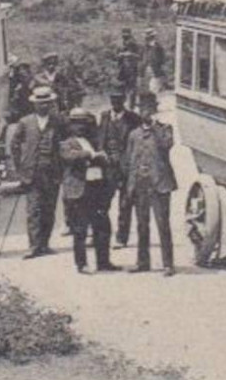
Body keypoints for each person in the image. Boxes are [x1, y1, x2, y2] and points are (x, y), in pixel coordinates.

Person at [124, 90, 177, 275]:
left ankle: (168, 264)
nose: (145, 113)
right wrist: (130, 186)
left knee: (163, 224)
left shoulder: (165, 129)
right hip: (141, 185)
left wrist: (154, 126)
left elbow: (166, 145)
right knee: (141, 225)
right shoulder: (134, 134)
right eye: (143, 109)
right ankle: (143, 262)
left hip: (160, 184)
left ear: (155, 110)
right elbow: (130, 162)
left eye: (149, 109)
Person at [60, 109, 119, 274]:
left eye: (84, 123)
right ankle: (81, 264)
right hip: (79, 191)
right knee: (80, 230)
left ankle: (103, 261)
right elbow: (69, 157)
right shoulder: (67, 142)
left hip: (96, 188)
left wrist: (104, 158)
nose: (81, 127)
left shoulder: (93, 141)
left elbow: (106, 156)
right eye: (77, 123)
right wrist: (92, 155)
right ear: (71, 125)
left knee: (103, 227)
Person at [8, 85, 64, 259]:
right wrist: (19, 168)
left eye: (47, 103)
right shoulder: (25, 122)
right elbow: (14, 145)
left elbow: (67, 142)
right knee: (33, 209)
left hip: (52, 172)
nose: (44, 106)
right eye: (40, 103)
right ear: (34, 105)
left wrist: (62, 165)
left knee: (49, 209)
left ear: (51, 103)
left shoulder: (59, 121)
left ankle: (45, 244)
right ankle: (33, 245)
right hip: (32, 172)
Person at [98, 87, 140, 248]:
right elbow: (100, 139)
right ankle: (100, 235)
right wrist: (101, 153)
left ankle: (121, 238)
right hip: (107, 167)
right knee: (102, 203)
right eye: (113, 99)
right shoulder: (104, 117)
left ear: (124, 100)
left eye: (119, 99)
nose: (115, 102)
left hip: (126, 167)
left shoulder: (133, 118)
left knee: (125, 204)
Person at [116, 29, 141, 109]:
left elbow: (139, 56)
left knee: (132, 88)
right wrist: (120, 55)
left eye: (127, 35)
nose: (125, 37)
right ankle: (122, 105)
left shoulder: (134, 44)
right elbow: (116, 57)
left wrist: (131, 55)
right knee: (122, 88)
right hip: (122, 69)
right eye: (124, 35)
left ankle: (131, 106)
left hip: (132, 69)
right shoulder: (120, 45)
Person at [142, 28, 169, 96]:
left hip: (156, 72)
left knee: (154, 91)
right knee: (147, 90)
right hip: (148, 71)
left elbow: (162, 61)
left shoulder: (158, 48)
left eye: (147, 38)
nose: (146, 39)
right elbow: (144, 59)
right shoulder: (146, 47)